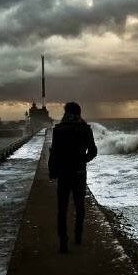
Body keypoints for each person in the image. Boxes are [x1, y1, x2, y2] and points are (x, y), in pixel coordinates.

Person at [48, 102, 97, 253]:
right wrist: (83, 160)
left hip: (63, 173)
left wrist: (53, 171)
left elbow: (54, 153)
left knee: (62, 209)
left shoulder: (59, 130)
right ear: (79, 112)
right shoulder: (85, 129)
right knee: (80, 206)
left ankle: (63, 242)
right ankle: (78, 236)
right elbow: (93, 151)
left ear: (65, 112)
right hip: (79, 173)